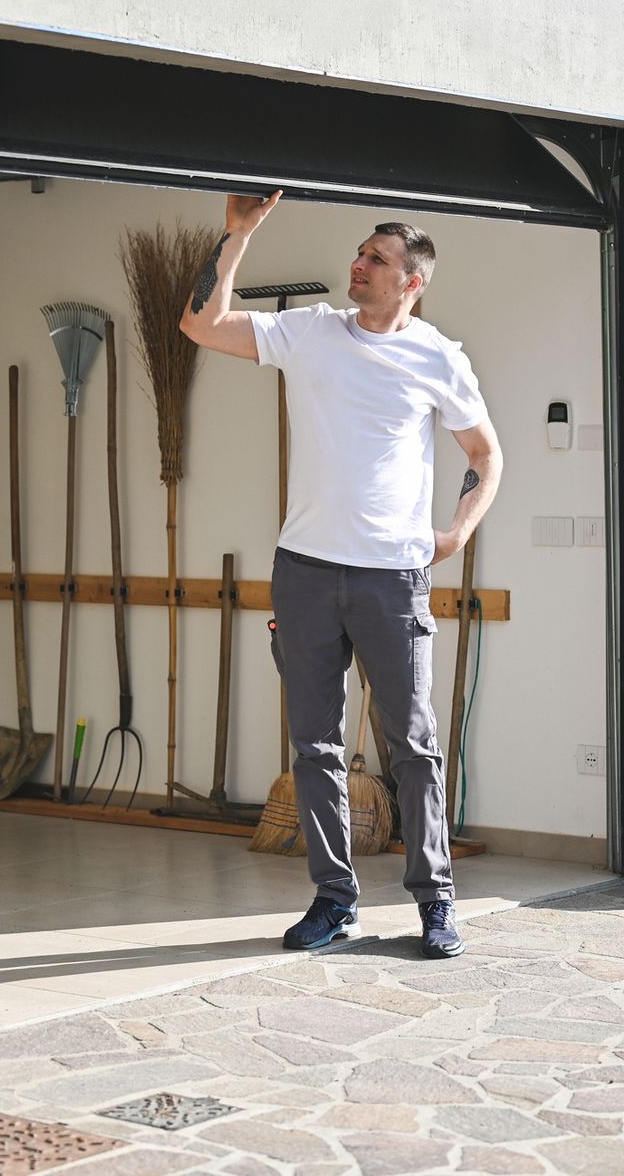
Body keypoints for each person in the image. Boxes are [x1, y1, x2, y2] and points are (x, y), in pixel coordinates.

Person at [179, 191, 502, 960]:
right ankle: (334, 900)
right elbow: (200, 324)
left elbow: (486, 454)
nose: (358, 264)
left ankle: (436, 902)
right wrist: (237, 236)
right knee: (315, 748)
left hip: (392, 577)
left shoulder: (437, 356)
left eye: (377, 259)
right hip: (305, 571)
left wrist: (455, 532)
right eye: (359, 253)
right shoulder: (311, 333)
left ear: (411, 282)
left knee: (413, 747)